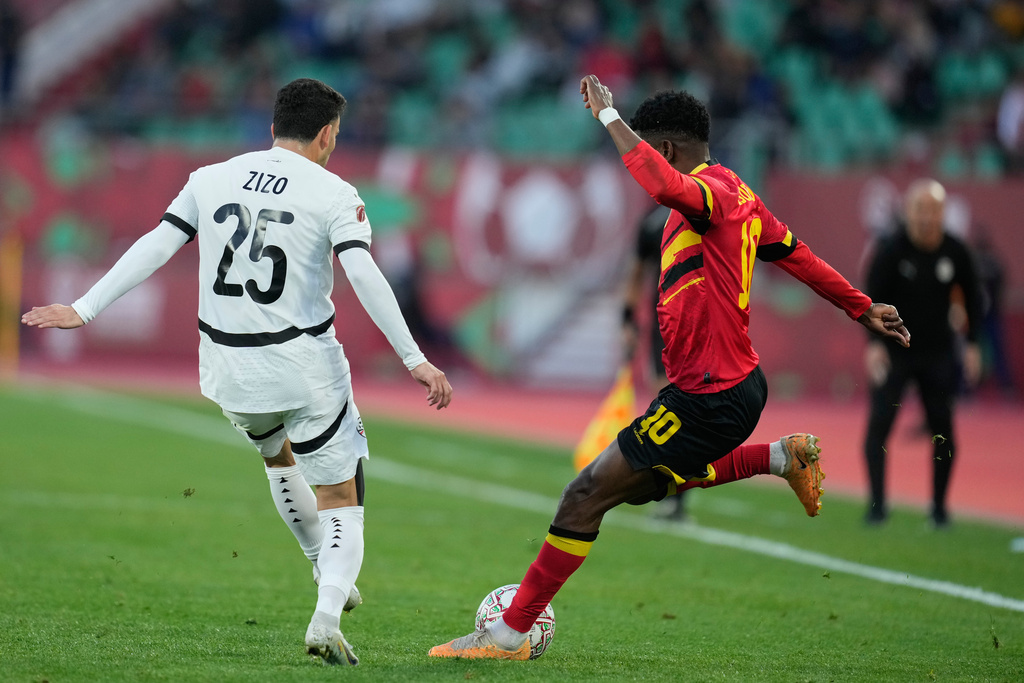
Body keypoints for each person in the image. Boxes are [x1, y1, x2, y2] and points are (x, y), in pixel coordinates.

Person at [428, 75, 909, 659]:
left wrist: (609, 117)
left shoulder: (711, 198)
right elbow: (799, 256)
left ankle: (509, 632)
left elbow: (659, 183)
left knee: (584, 496)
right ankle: (781, 455)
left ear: (672, 151)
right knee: (641, 485)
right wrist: (862, 308)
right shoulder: (743, 196)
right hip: (724, 389)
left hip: (708, 396)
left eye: (654, 150)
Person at [21, 77, 453, 666]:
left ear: (273, 126)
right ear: (327, 134)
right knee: (340, 494)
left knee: (277, 458)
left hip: (227, 367)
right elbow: (364, 275)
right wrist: (414, 358)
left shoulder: (210, 177)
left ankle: (323, 569)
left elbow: (156, 242)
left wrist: (85, 307)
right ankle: (326, 615)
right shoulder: (334, 192)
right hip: (302, 361)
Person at [862, 179, 981, 529]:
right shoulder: (891, 249)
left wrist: (972, 343)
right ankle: (877, 507)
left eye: (933, 211)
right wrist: (873, 347)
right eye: (920, 211)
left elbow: (973, 298)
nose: (926, 219)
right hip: (895, 350)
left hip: (938, 353)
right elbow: (867, 301)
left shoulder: (957, 251)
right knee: (880, 425)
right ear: (908, 213)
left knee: (943, 429)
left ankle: (940, 509)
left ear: (944, 214)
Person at [621, 203, 690, 522]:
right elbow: (637, 272)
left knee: (682, 407)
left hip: (694, 321)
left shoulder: (700, 207)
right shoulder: (652, 220)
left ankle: (675, 493)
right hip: (665, 322)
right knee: (667, 405)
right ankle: (671, 492)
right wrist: (628, 320)